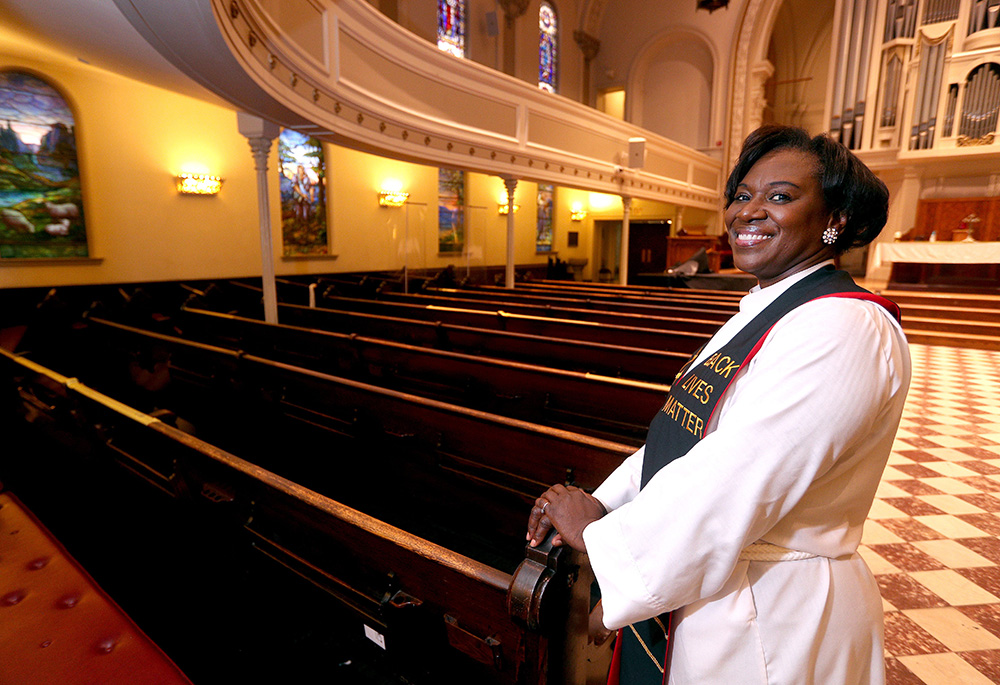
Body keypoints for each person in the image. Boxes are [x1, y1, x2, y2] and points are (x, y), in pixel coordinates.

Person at [526, 124, 911, 684]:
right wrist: (599, 504)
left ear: (835, 220)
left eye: (780, 196)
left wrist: (599, 538)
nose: (747, 212)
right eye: (741, 194)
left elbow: (741, 473)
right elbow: (685, 436)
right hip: (718, 584)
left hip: (772, 613)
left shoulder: (844, 325)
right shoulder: (767, 308)